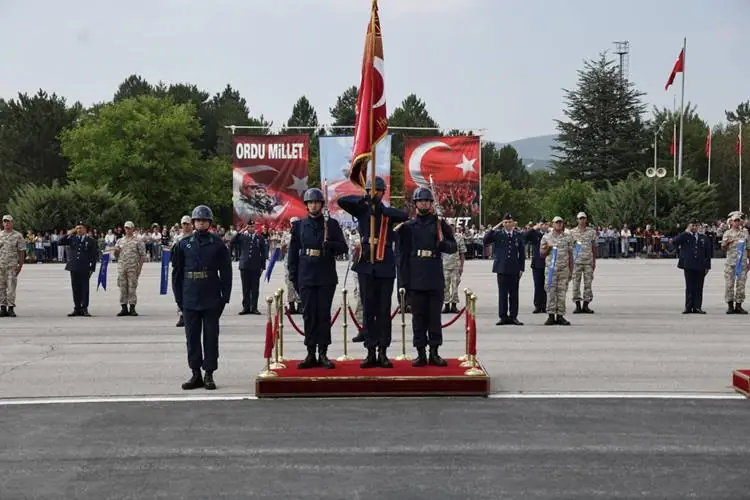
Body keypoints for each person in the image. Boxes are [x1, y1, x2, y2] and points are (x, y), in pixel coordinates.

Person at [338, 176, 409, 368]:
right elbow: (342, 201)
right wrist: (364, 201)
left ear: (383, 192)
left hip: (385, 264)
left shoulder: (386, 214)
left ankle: (383, 351)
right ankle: (370, 350)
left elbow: (404, 216)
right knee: (368, 310)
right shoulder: (361, 210)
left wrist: (380, 209)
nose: (373, 193)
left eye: (377, 190)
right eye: (370, 190)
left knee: (384, 311)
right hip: (366, 264)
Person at [172, 205, 232, 390]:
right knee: (192, 337)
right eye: (198, 220)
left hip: (211, 295)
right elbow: (177, 274)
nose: (200, 223)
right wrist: (179, 299)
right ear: (193, 222)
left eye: (204, 220)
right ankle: (195, 373)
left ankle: (209, 374)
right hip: (190, 295)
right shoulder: (183, 244)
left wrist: (225, 297)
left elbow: (226, 272)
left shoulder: (217, 244)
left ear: (209, 223)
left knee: (211, 337)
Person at [395, 187, 456, 366]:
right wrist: (403, 282)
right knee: (418, 318)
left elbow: (453, 247)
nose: (424, 203)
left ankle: (434, 352)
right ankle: (420, 352)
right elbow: (402, 257)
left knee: (434, 318)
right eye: (420, 201)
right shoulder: (408, 227)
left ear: (431, 204)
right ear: (415, 204)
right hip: (415, 277)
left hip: (434, 276)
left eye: (427, 201)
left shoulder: (439, 224)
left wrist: (442, 243)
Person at [288, 188, 348, 368]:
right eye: (310, 202)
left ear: (321, 205)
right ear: (306, 205)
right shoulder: (299, 226)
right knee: (308, 315)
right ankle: (310, 353)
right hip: (305, 274)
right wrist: (293, 275)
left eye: (317, 202)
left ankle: (323, 352)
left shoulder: (331, 225)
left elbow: (343, 248)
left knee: (323, 315)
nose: (314, 205)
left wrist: (331, 245)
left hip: (325, 275)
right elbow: (293, 253)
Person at [484, 213, 525, 326]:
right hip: (501, 268)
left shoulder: (518, 235)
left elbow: (522, 253)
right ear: (503, 224)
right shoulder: (498, 234)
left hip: (514, 268)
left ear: (513, 223)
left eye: (509, 222)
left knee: (514, 294)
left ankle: (513, 316)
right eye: (505, 222)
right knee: (502, 294)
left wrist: (521, 268)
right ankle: (503, 316)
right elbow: (486, 240)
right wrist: (495, 227)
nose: (507, 224)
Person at [672, 219, 712, 314]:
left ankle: (697, 307)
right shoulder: (685, 236)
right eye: (692, 225)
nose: (694, 227)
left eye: (696, 225)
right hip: (689, 265)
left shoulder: (703, 238)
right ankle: (688, 307)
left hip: (700, 265)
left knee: (699, 287)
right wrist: (686, 232)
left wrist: (707, 266)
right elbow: (675, 241)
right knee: (689, 286)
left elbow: (708, 253)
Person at [59, 221, 98, 317]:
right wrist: (69, 233)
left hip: (84, 268)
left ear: (85, 229)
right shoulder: (72, 238)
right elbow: (60, 242)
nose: (79, 230)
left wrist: (92, 268)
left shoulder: (91, 240)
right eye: (77, 228)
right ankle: (77, 308)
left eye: (81, 228)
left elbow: (94, 256)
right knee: (75, 288)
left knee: (85, 288)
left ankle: (84, 308)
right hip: (74, 267)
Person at [540, 216, 574, 325]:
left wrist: (571, 270)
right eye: (557, 222)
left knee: (562, 293)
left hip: (563, 270)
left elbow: (571, 255)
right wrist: (548, 248)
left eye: (561, 222)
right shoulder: (546, 237)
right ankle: (550, 315)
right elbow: (541, 254)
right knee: (550, 292)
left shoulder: (568, 237)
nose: (559, 224)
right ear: (552, 224)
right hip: (551, 270)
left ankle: (560, 315)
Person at [232, 219, 267, 315]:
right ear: (247, 227)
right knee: (245, 288)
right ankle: (246, 307)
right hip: (244, 266)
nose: (251, 228)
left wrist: (263, 266)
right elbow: (232, 241)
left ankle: (254, 307)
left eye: (253, 226)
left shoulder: (259, 238)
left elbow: (263, 253)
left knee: (255, 288)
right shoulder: (243, 237)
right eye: (249, 227)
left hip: (256, 266)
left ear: (255, 227)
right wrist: (242, 231)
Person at [114, 221, 146, 316]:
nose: (127, 230)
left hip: (132, 267)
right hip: (122, 267)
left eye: (129, 228)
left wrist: (139, 268)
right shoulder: (120, 241)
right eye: (126, 228)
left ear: (133, 229)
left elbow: (142, 255)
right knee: (122, 287)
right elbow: (115, 255)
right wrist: (116, 251)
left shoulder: (138, 241)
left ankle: (132, 307)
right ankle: (123, 307)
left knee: (132, 287)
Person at [569, 212, 597, 314]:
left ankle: (586, 305)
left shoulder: (591, 232)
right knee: (576, 284)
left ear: (586, 219)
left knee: (588, 284)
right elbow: (569, 248)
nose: (582, 220)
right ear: (577, 220)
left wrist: (594, 261)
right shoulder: (572, 232)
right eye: (580, 218)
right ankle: (577, 305)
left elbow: (594, 247)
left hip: (588, 262)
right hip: (576, 262)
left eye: (584, 218)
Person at [722, 212, 750, 314]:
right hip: (731, 263)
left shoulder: (745, 233)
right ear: (731, 222)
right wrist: (728, 242)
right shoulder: (727, 233)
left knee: (741, 284)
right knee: (729, 284)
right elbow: (723, 248)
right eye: (735, 221)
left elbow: (748, 247)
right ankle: (730, 306)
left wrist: (749, 261)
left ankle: (739, 305)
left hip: (742, 263)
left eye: (738, 220)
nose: (737, 222)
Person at [0, 214, 26, 317]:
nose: (6, 223)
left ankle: (10, 308)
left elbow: (21, 251)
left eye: (8, 221)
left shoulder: (18, 235)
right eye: (5, 221)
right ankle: (2, 307)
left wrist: (20, 265)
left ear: (12, 223)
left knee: (11, 287)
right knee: (1, 287)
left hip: (12, 265)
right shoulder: (0, 235)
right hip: (1, 265)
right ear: (2, 223)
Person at [172, 215, 193, 327]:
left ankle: (191, 315)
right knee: (180, 291)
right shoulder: (177, 238)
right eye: (183, 224)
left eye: (187, 223)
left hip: (191, 267)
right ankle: (182, 315)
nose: (185, 226)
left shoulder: (195, 236)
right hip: (180, 268)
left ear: (191, 224)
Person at [524, 218, 548, 314]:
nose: (544, 226)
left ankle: (545, 305)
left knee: (547, 286)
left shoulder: (550, 235)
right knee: (538, 285)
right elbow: (525, 236)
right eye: (542, 224)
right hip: (537, 263)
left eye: (546, 224)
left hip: (548, 263)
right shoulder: (535, 234)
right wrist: (534, 228)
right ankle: (538, 305)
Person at [442, 223, 466, 314]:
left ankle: (454, 305)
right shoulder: (443, 238)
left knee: (455, 286)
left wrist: (462, 266)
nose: (450, 228)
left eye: (452, 226)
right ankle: (446, 305)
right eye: (449, 226)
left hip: (456, 266)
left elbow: (462, 253)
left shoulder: (459, 238)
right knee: (445, 287)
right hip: (445, 265)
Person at [282, 217, 302, 314]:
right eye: (292, 223)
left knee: (299, 282)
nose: (293, 225)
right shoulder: (286, 234)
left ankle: (300, 304)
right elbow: (282, 247)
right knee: (289, 283)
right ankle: (291, 305)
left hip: (299, 259)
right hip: (288, 260)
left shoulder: (301, 234)